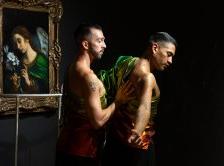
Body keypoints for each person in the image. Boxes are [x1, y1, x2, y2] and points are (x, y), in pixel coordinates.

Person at [56, 23, 133, 166]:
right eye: (99, 40)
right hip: (82, 153)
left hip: (66, 147)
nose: (104, 45)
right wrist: (118, 101)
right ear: (85, 44)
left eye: (103, 40)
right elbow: (97, 122)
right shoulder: (88, 77)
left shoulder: (72, 68)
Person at [99, 32, 177, 166]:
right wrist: (137, 132)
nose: (170, 61)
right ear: (155, 48)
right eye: (168, 54)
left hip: (115, 143)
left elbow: (106, 81)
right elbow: (145, 107)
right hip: (137, 148)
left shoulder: (125, 62)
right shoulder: (148, 78)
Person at [7, 25, 48, 93]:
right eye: (15, 43)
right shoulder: (20, 63)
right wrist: (16, 85)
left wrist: (29, 82)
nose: (18, 46)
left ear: (27, 39)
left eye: (19, 41)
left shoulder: (41, 59)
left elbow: (46, 86)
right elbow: (21, 91)